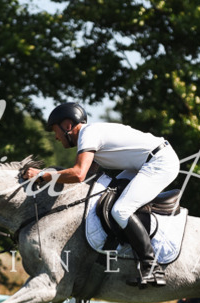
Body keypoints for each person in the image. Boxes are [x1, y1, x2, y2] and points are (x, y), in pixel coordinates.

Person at [24, 102, 179, 287]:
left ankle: (151, 267)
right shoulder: (90, 136)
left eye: (55, 131)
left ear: (67, 125)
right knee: (106, 197)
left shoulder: (87, 134)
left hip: (160, 162)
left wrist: (42, 175)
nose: (56, 137)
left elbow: (78, 174)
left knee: (121, 210)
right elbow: (89, 176)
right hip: (146, 163)